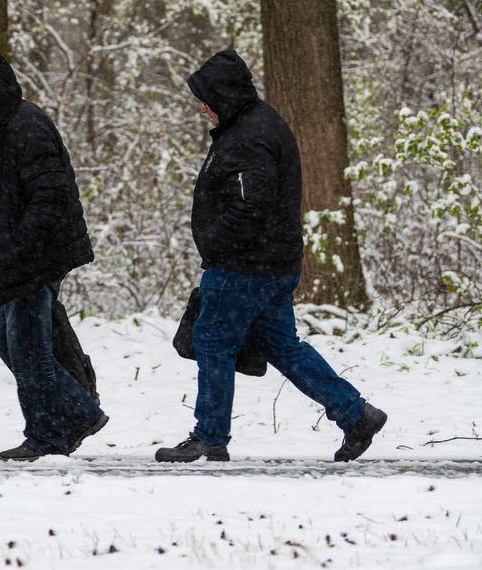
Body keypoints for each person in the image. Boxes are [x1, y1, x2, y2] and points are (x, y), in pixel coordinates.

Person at [156, 49, 387, 463]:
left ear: (223, 97)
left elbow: (250, 204)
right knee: (283, 346)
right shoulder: (254, 125)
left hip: (246, 265)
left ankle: (210, 435)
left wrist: (215, 244)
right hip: (272, 263)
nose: (203, 109)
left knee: (211, 340)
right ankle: (356, 415)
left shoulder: (249, 135)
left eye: (206, 100)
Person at [0, 50, 108, 461]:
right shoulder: (4, 127)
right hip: (20, 259)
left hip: (36, 258)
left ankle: (53, 431)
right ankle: (72, 415)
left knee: (28, 349)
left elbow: (50, 195)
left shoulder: (26, 126)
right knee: (9, 342)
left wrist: (19, 246)